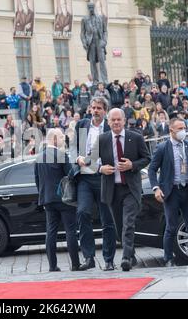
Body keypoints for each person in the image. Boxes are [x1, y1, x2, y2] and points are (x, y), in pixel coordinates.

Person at [98, 108, 151, 271]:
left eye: (118, 119)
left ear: (124, 120)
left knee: (128, 223)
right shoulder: (102, 139)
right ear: (108, 122)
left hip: (130, 188)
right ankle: (132, 253)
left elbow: (147, 158)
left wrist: (132, 165)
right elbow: (90, 161)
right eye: (112, 120)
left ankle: (126, 258)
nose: (116, 123)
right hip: (112, 189)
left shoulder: (135, 137)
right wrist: (100, 168)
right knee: (119, 225)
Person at [70, 97, 117, 271]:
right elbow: (73, 146)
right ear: (90, 109)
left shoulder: (109, 126)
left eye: (99, 108)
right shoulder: (82, 124)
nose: (95, 110)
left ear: (105, 110)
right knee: (82, 213)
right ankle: (89, 257)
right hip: (84, 178)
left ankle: (109, 259)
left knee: (107, 219)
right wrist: (77, 157)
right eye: (93, 108)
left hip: (104, 177)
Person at [148, 118, 188, 267]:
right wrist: (156, 188)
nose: (183, 131)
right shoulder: (163, 147)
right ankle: (168, 258)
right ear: (171, 131)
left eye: (184, 127)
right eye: (180, 128)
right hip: (171, 192)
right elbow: (152, 169)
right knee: (171, 226)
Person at [34, 128, 81, 272]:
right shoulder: (61, 155)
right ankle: (75, 264)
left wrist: (43, 196)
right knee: (70, 231)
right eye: (61, 137)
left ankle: (52, 266)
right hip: (64, 199)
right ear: (54, 139)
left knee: (51, 232)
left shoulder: (38, 158)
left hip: (47, 199)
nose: (63, 140)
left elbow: (38, 181)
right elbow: (71, 175)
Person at [80, 2, 108, 84]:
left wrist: (104, 41)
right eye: (90, 8)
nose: (91, 9)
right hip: (91, 43)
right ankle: (95, 81)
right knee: (92, 63)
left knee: (102, 60)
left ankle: (104, 80)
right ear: (88, 9)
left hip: (99, 41)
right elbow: (82, 33)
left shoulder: (100, 18)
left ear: (94, 8)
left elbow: (105, 31)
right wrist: (84, 42)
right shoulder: (84, 19)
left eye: (92, 7)